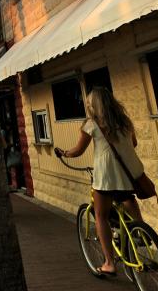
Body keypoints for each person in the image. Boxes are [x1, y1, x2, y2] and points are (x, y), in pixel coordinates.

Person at [56, 86, 144, 277]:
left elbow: (78, 150)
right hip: (130, 172)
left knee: (101, 216)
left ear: (93, 106)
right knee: (127, 198)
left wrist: (64, 153)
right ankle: (141, 232)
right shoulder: (125, 121)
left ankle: (109, 263)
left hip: (106, 175)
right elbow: (134, 144)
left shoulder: (91, 124)